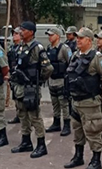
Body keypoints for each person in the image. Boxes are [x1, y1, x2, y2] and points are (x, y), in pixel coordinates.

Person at [63, 28, 102, 169]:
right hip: (76, 101)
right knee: (77, 130)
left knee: (93, 130)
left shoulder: (97, 57)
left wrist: (96, 93)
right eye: (77, 37)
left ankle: (96, 160)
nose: (78, 40)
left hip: (90, 101)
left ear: (89, 40)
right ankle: (78, 156)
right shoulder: (75, 55)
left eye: (81, 38)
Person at [11, 21, 54, 158]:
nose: (21, 32)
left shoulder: (37, 48)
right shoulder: (20, 47)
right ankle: (26, 142)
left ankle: (41, 145)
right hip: (19, 87)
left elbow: (48, 68)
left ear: (31, 32)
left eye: (23, 30)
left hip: (30, 88)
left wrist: (38, 81)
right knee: (22, 115)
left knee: (34, 116)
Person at [45, 27, 72, 136]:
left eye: (51, 35)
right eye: (49, 35)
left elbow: (71, 63)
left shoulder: (64, 48)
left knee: (64, 103)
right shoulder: (48, 48)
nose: (49, 37)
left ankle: (66, 125)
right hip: (52, 80)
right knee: (54, 103)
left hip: (62, 80)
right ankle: (56, 123)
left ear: (58, 36)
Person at [7, 27, 22, 124]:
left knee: (21, 97)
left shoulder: (23, 47)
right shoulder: (12, 47)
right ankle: (18, 115)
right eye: (13, 34)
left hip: (20, 75)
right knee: (15, 97)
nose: (14, 35)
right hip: (13, 74)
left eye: (16, 34)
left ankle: (23, 116)